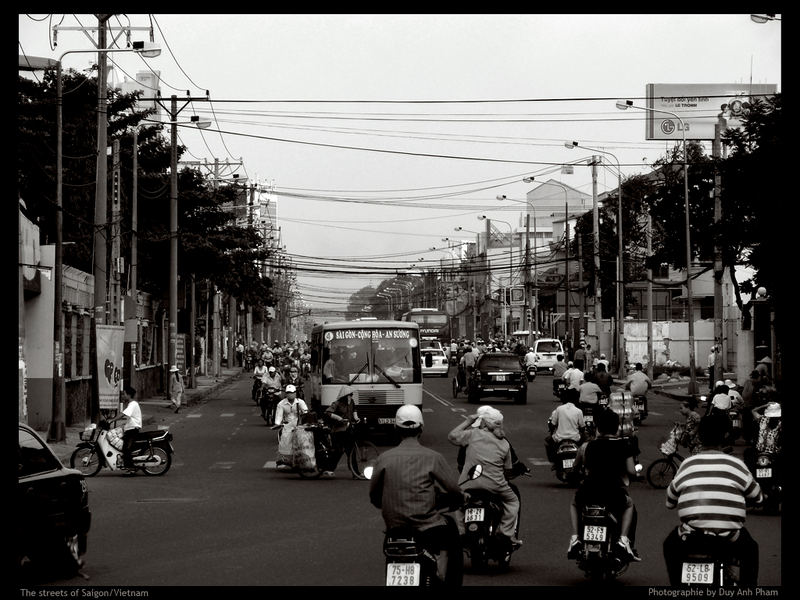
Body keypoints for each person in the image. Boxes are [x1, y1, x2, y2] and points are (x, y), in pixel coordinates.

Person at [663, 412, 763, 586]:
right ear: (725, 436)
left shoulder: (688, 464)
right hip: (729, 538)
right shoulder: (736, 464)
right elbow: (758, 497)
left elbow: (669, 501)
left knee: (669, 545)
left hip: (691, 537)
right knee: (751, 550)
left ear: (700, 437)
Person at [369, 405, 465, 585]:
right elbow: (453, 490)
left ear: (396, 429)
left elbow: (374, 496)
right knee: (451, 528)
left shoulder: (384, 458)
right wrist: (459, 499)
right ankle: (446, 577)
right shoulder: (433, 457)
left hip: (394, 527)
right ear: (421, 429)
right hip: (427, 527)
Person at [568, 408, 641, 561]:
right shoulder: (624, 445)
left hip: (588, 492)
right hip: (613, 493)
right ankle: (623, 540)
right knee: (630, 506)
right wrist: (636, 474)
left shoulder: (586, 446)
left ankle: (575, 538)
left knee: (574, 504)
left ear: (598, 427)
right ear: (616, 427)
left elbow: (575, 468)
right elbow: (631, 471)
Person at [448, 406, 523, 547]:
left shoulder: (473, 434)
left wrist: (468, 421)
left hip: (468, 484)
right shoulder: (505, 444)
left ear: (484, 423)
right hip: (495, 486)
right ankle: (506, 533)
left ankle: (462, 531)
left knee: (459, 503)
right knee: (513, 502)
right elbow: (508, 470)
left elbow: (452, 436)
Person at [322, 385, 361, 478]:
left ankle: (355, 473)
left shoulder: (351, 402)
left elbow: (354, 410)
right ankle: (329, 469)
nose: (351, 396)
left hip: (348, 430)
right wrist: (340, 419)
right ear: (345, 396)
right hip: (338, 430)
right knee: (338, 451)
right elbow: (328, 413)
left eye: (351, 395)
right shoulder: (337, 403)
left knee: (350, 451)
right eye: (349, 395)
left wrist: (356, 418)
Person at [545, 388, 585, 464]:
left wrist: (551, 433)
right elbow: (582, 427)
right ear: (576, 398)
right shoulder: (578, 411)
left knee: (548, 442)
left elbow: (553, 424)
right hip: (575, 438)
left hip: (559, 438)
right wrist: (582, 433)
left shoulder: (559, 409)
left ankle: (555, 462)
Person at [744, 396, 782, 473]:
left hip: (759, 449)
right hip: (773, 451)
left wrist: (765, 405)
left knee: (747, 457)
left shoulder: (762, 419)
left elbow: (753, 410)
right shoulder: (780, 423)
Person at [116, 385, 142, 472]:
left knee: (126, 448)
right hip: (130, 429)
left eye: (124, 394)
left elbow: (123, 414)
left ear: (129, 395)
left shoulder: (133, 404)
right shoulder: (132, 404)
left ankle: (131, 467)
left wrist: (111, 420)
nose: (123, 396)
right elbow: (129, 417)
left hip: (132, 430)